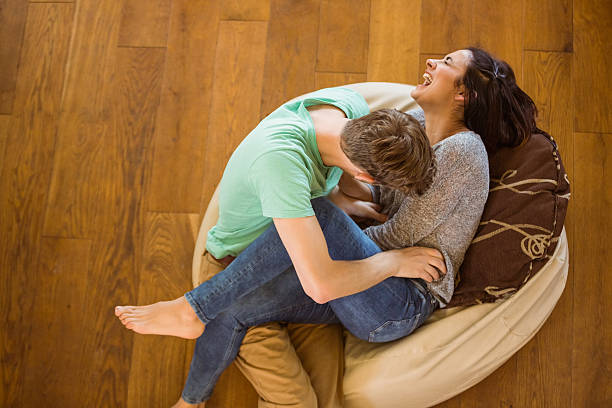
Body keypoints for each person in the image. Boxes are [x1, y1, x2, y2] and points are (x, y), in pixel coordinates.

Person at [116, 47, 541, 407]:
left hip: (400, 302)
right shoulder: (411, 132)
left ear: (463, 94)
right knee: (237, 308)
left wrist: (331, 247)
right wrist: (338, 234)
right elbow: (377, 210)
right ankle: (190, 400)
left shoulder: (463, 151)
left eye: (446, 61)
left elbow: (399, 237)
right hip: (366, 284)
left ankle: (193, 307)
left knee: (316, 216)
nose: (431, 61)